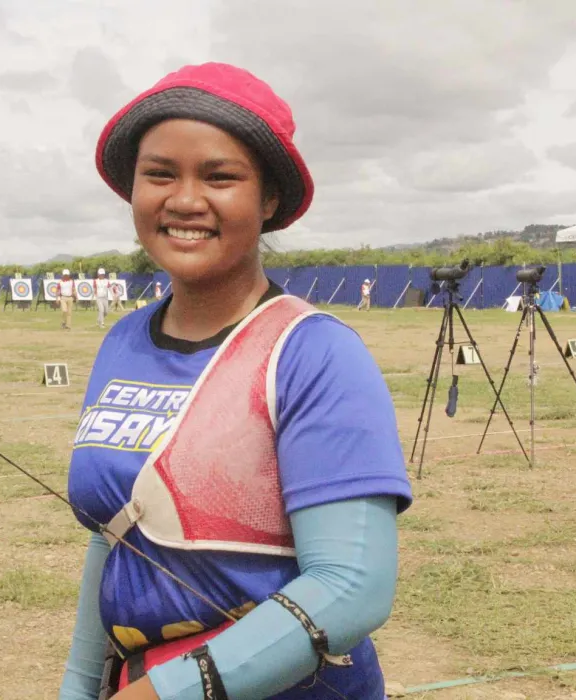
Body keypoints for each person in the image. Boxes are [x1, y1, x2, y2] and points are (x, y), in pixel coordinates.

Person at [61, 62, 412, 700]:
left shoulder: (315, 352)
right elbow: (113, 535)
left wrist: (168, 694)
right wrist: (79, 688)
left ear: (268, 200)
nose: (185, 200)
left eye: (220, 177)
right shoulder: (122, 340)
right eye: (159, 173)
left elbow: (350, 588)